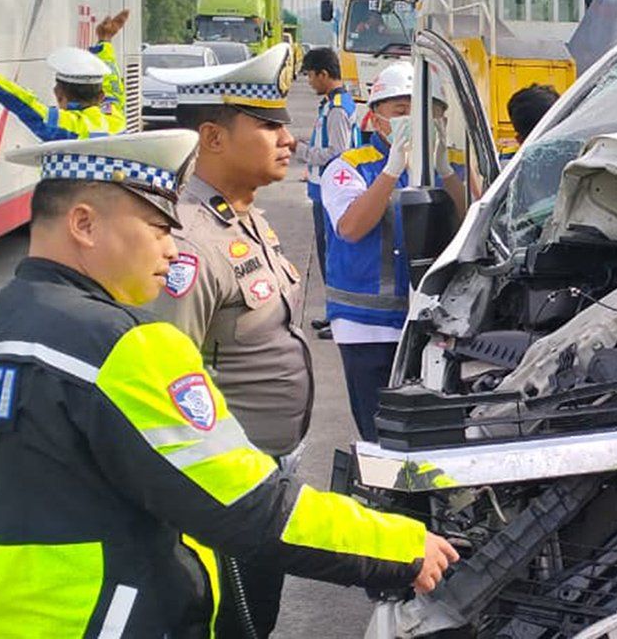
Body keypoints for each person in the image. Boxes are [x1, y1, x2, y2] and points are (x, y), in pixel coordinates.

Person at [0, 129, 457, 638]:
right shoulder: (125, 346)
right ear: (84, 225)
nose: (172, 251)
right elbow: (252, 506)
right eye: (158, 229)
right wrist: (402, 545)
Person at [148, 45, 312, 635]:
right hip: (222, 490)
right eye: (269, 125)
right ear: (212, 138)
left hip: (264, 475)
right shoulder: (187, 241)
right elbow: (165, 379)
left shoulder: (245, 217)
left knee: (257, 615)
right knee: (231, 624)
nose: (287, 138)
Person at [321, 62, 464, 440]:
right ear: (376, 119)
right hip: (366, 324)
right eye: (401, 112)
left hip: (433, 321)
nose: (414, 120)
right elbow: (351, 228)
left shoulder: (452, 170)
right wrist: (391, 171)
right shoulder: (348, 168)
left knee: (434, 433)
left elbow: (472, 219)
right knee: (379, 432)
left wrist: (444, 171)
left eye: (428, 113)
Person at [0, 9, 130, 141]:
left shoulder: (63, 126)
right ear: (101, 97)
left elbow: (23, 102)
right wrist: (105, 41)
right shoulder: (115, 117)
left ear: (58, 95)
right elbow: (112, 85)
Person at [295, 47, 359, 340]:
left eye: (310, 75)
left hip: (331, 192)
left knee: (333, 256)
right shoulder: (332, 103)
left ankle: (340, 316)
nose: (308, 81)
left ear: (323, 73)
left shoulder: (336, 109)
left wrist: (301, 151)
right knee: (328, 255)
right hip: (324, 191)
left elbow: (338, 152)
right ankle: (334, 313)